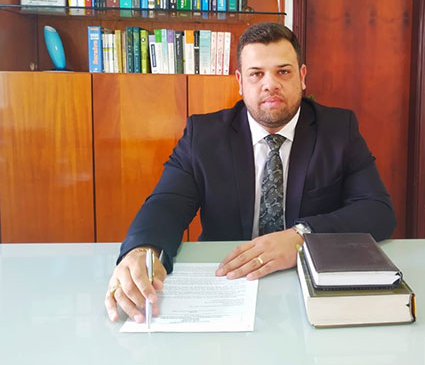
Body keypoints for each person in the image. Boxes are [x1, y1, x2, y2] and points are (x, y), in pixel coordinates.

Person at [104, 22, 396, 322]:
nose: (270, 84)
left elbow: (377, 211)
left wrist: (302, 237)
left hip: (306, 282)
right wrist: (142, 249)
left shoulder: (338, 130)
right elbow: (167, 202)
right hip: (227, 279)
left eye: (283, 72)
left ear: (302, 77)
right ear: (240, 82)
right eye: (256, 74)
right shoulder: (204, 135)